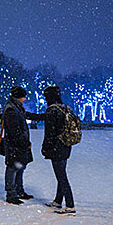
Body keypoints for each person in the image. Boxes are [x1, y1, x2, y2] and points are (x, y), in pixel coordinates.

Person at [38, 86, 76, 215]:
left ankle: (70, 205)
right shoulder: (64, 108)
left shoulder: (51, 110)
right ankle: (58, 200)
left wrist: (45, 147)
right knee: (61, 174)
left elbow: (49, 133)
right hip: (66, 145)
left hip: (56, 147)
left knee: (61, 177)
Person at [1, 86, 34, 205]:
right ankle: (11, 194)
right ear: (18, 97)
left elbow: (26, 116)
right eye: (23, 97)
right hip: (14, 145)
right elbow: (15, 131)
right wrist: (25, 143)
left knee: (20, 167)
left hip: (19, 145)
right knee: (13, 168)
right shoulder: (11, 109)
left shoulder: (16, 107)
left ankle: (19, 191)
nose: (25, 99)